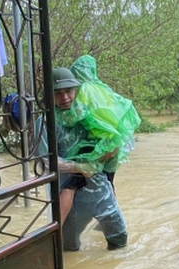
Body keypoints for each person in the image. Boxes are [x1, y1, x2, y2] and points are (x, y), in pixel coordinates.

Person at [35, 66, 128, 251]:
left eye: (69, 91)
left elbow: (112, 141)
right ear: (50, 95)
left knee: (119, 238)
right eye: (58, 93)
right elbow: (44, 162)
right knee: (69, 247)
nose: (65, 98)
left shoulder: (88, 114)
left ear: (76, 90)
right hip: (68, 192)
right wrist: (79, 168)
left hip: (99, 185)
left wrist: (106, 155)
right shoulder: (45, 122)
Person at [56, 55, 141, 222]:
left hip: (99, 144)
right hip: (115, 144)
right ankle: (114, 220)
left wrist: (59, 115)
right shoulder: (104, 88)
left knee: (70, 184)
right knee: (108, 182)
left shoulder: (85, 90)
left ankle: (55, 229)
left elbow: (74, 117)